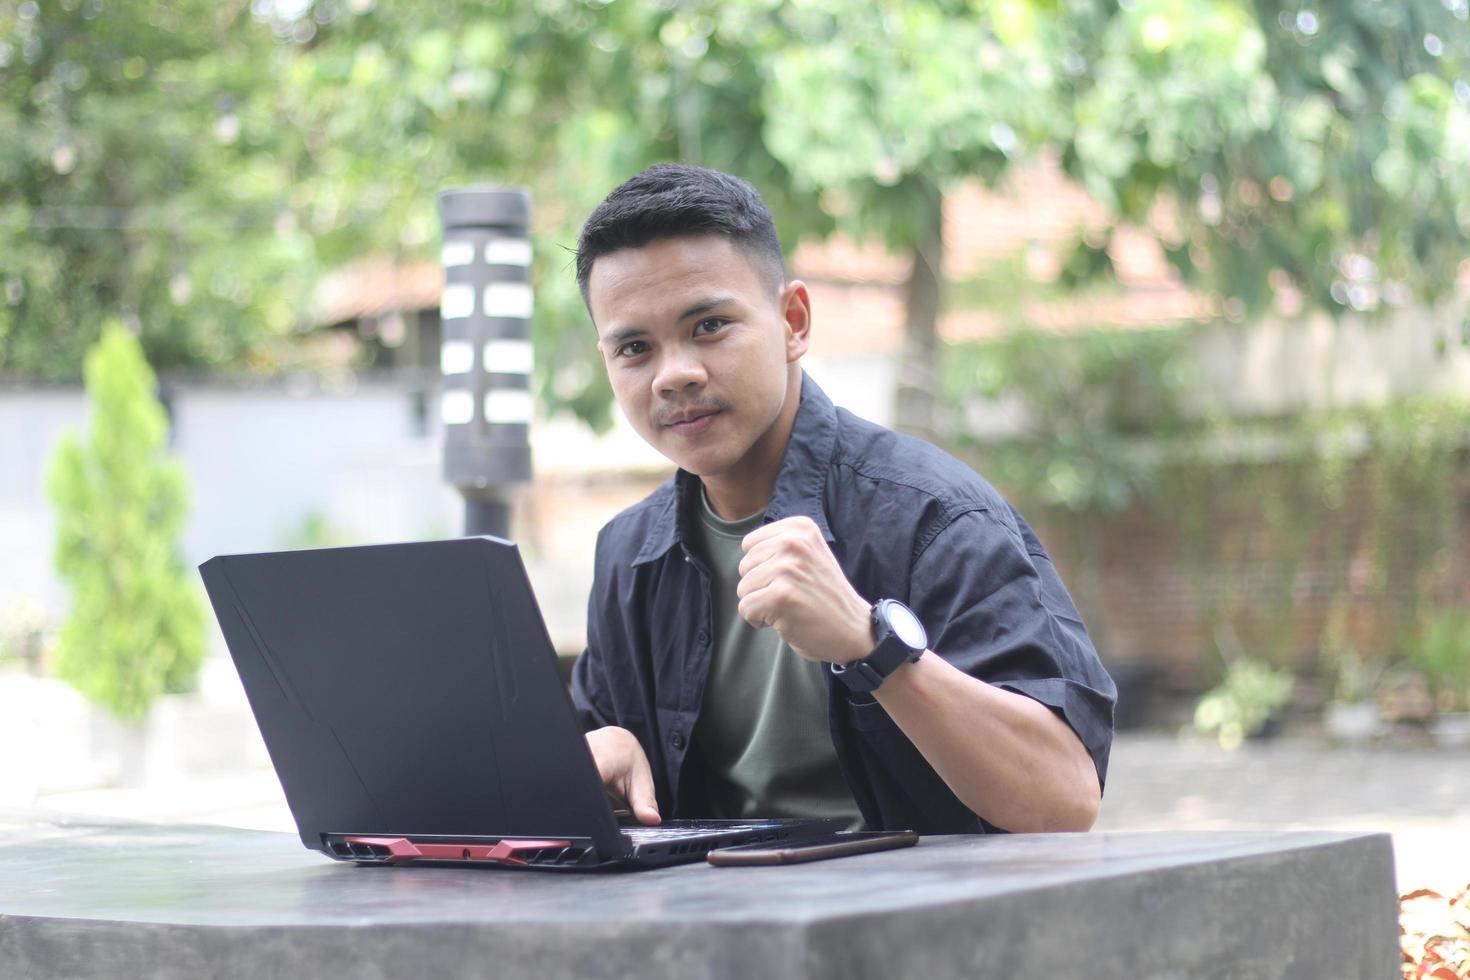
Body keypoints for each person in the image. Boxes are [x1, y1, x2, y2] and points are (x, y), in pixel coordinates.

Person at [569, 163, 1115, 835]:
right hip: (710, 932)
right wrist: (599, 758)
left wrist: (870, 645)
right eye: (634, 347)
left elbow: (1064, 800)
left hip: (922, 929)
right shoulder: (628, 555)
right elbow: (592, 765)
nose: (674, 374)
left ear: (793, 320)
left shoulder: (932, 515)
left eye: (709, 325)